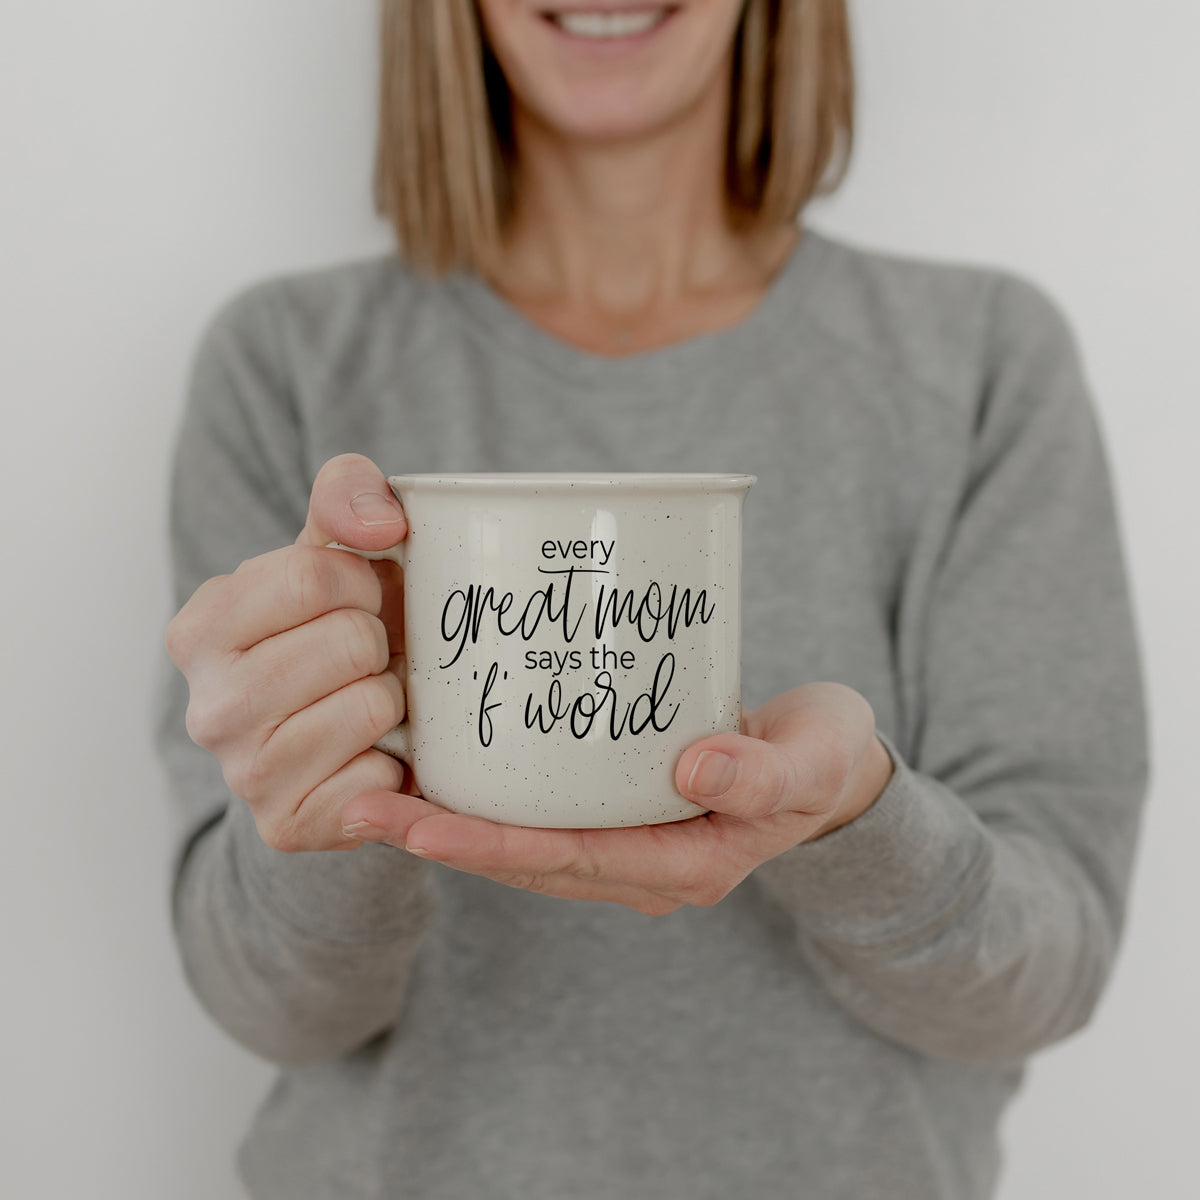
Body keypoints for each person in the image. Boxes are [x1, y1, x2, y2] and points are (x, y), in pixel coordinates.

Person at [158, 1, 1148, 1197]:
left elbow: (1046, 979)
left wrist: (855, 820)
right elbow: (269, 1009)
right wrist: (332, 806)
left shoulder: (980, 359)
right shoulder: (285, 363)